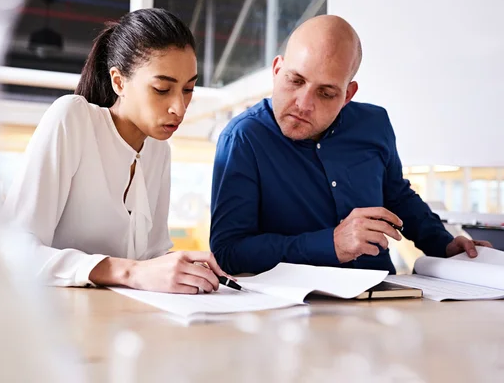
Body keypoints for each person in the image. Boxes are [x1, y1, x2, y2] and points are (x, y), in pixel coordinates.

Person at [209, 15, 491, 275]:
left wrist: (444, 245)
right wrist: (330, 244)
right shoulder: (243, 138)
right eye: (295, 80)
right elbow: (228, 251)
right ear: (277, 69)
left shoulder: (375, 123)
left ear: (347, 95)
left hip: (385, 297)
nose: (303, 104)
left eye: (326, 92)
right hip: (293, 313)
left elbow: (397, 198)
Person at [3, 8, 229, 293]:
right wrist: (130, 271)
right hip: (53, 321)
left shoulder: (160, 151)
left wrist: (181, 268)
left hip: (121, 320)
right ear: (119, 81)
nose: (179, 108)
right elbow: (12, 250)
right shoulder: (73, 118)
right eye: (162, 89)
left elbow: (150, 258)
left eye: (188, 89)